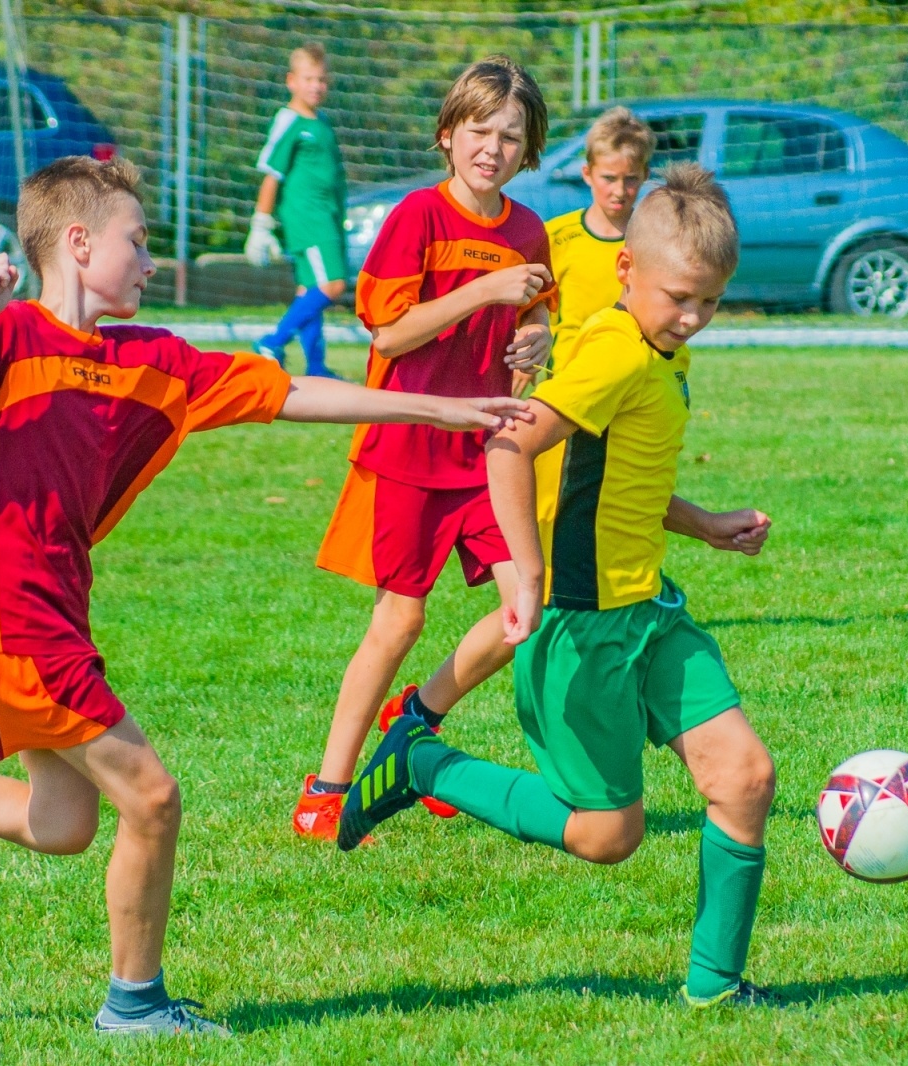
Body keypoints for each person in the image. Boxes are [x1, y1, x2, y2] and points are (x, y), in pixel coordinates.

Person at [0, 155, 527, 1038]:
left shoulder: (149, 360)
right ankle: (135, 1006)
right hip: (10, 617)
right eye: (137, 243)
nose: (150, 263)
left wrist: (440, 412)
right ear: (78, 244)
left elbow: (291, 390)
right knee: (152, 798)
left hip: (49, 613)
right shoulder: (4, 338)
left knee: (61, 822)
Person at [338, 164, 782, 1010]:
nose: (692, 318)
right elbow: (507, 446)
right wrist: (528, 572)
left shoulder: (656, 348)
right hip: (581, 626)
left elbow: (621, 480)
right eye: (681, 298)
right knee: (609, 835)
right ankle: (425, 763)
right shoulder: (616, 352)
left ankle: (717, 990)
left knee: (747, 777)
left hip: (649, 610)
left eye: (711, 304)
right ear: (627, 273)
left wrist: (706, 523)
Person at [292, 56, 555, 841]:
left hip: (487, 457)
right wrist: (479, 291)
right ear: (448, 136)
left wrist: (534, 339)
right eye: (479, 131)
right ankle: (330, 785)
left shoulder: (529, 229)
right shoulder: (416, 218)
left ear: (529, 149)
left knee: (525, 613)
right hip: (408, 448)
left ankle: (415, 718)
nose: (493, 148)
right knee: (399, 620)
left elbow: (536, 318)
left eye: (511, 136)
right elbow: (388, 331)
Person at [247, 41, 347, 378]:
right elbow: (271, 175)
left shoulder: (321, 122)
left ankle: (316, 366)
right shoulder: (289, 121)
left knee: (309, 291)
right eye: (308, 79)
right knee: (333, 285)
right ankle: (272, 341)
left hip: (326, 217)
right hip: (309, 220)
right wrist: (261, 224)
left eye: (321, 79)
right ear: (291, 81)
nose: (316, 86)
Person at [545, 107, 655, 372]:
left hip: (632, 377)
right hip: (567, 377)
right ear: (587, 173)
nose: (619, 191)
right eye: (608, 178)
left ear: (645, 176)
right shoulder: (555, 236)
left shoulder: (654, 239)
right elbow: (532, 310)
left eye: (630, 179)